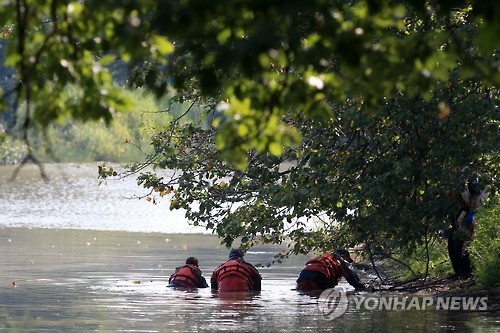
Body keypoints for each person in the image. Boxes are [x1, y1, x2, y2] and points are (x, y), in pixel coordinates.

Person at [447, 177, 489, 279]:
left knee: (460, 244)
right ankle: (458, 272)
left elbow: (475, 196)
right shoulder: (450, 175)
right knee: (452, 244)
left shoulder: (470, 176)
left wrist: (470, 213)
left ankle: (465, 272)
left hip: (464, 212)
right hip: (454, 212)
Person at [296, 249, 366, 291]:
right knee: (318, 295)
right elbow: (353, 280)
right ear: (343, 256)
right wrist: (363, 288)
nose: (349, 261)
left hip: (303, 274)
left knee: (304, 293)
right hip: (320, 275)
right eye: (348, 258)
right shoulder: (341, 261)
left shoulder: (323, 257)